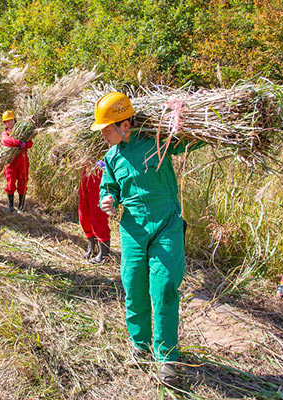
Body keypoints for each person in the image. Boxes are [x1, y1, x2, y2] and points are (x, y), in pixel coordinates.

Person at [93, 92, 201, 386]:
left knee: (165, 287)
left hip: (167, 224)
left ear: (125, 124)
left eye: (106, 129)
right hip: (133, 229)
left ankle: (166, 357)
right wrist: (109, 199)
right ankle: (139, 343)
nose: (102, 135)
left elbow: (194, 140)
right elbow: (109, 186)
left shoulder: (158, 142)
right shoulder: (111, 156)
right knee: (134, 286)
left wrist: (196, 121)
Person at [78, 161, 111, 263]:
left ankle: (104, 253)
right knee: (84, 212)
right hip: (88, 170)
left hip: (101, 170)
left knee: (97, 213)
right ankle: (92, 246)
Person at [0, 110, 32, 212]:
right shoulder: (5, 133)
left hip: (23, 161)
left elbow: (30, 143)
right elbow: (5, 141)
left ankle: (21, 207)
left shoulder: (22, 132)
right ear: (4, 123)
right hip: (11, 163)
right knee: (10, 183)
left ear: (15, 120)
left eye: (11, 120)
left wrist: (26, 144)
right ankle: (10, 206)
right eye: (7, 121)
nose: (10, 123)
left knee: (23, 183)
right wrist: (18, 143)